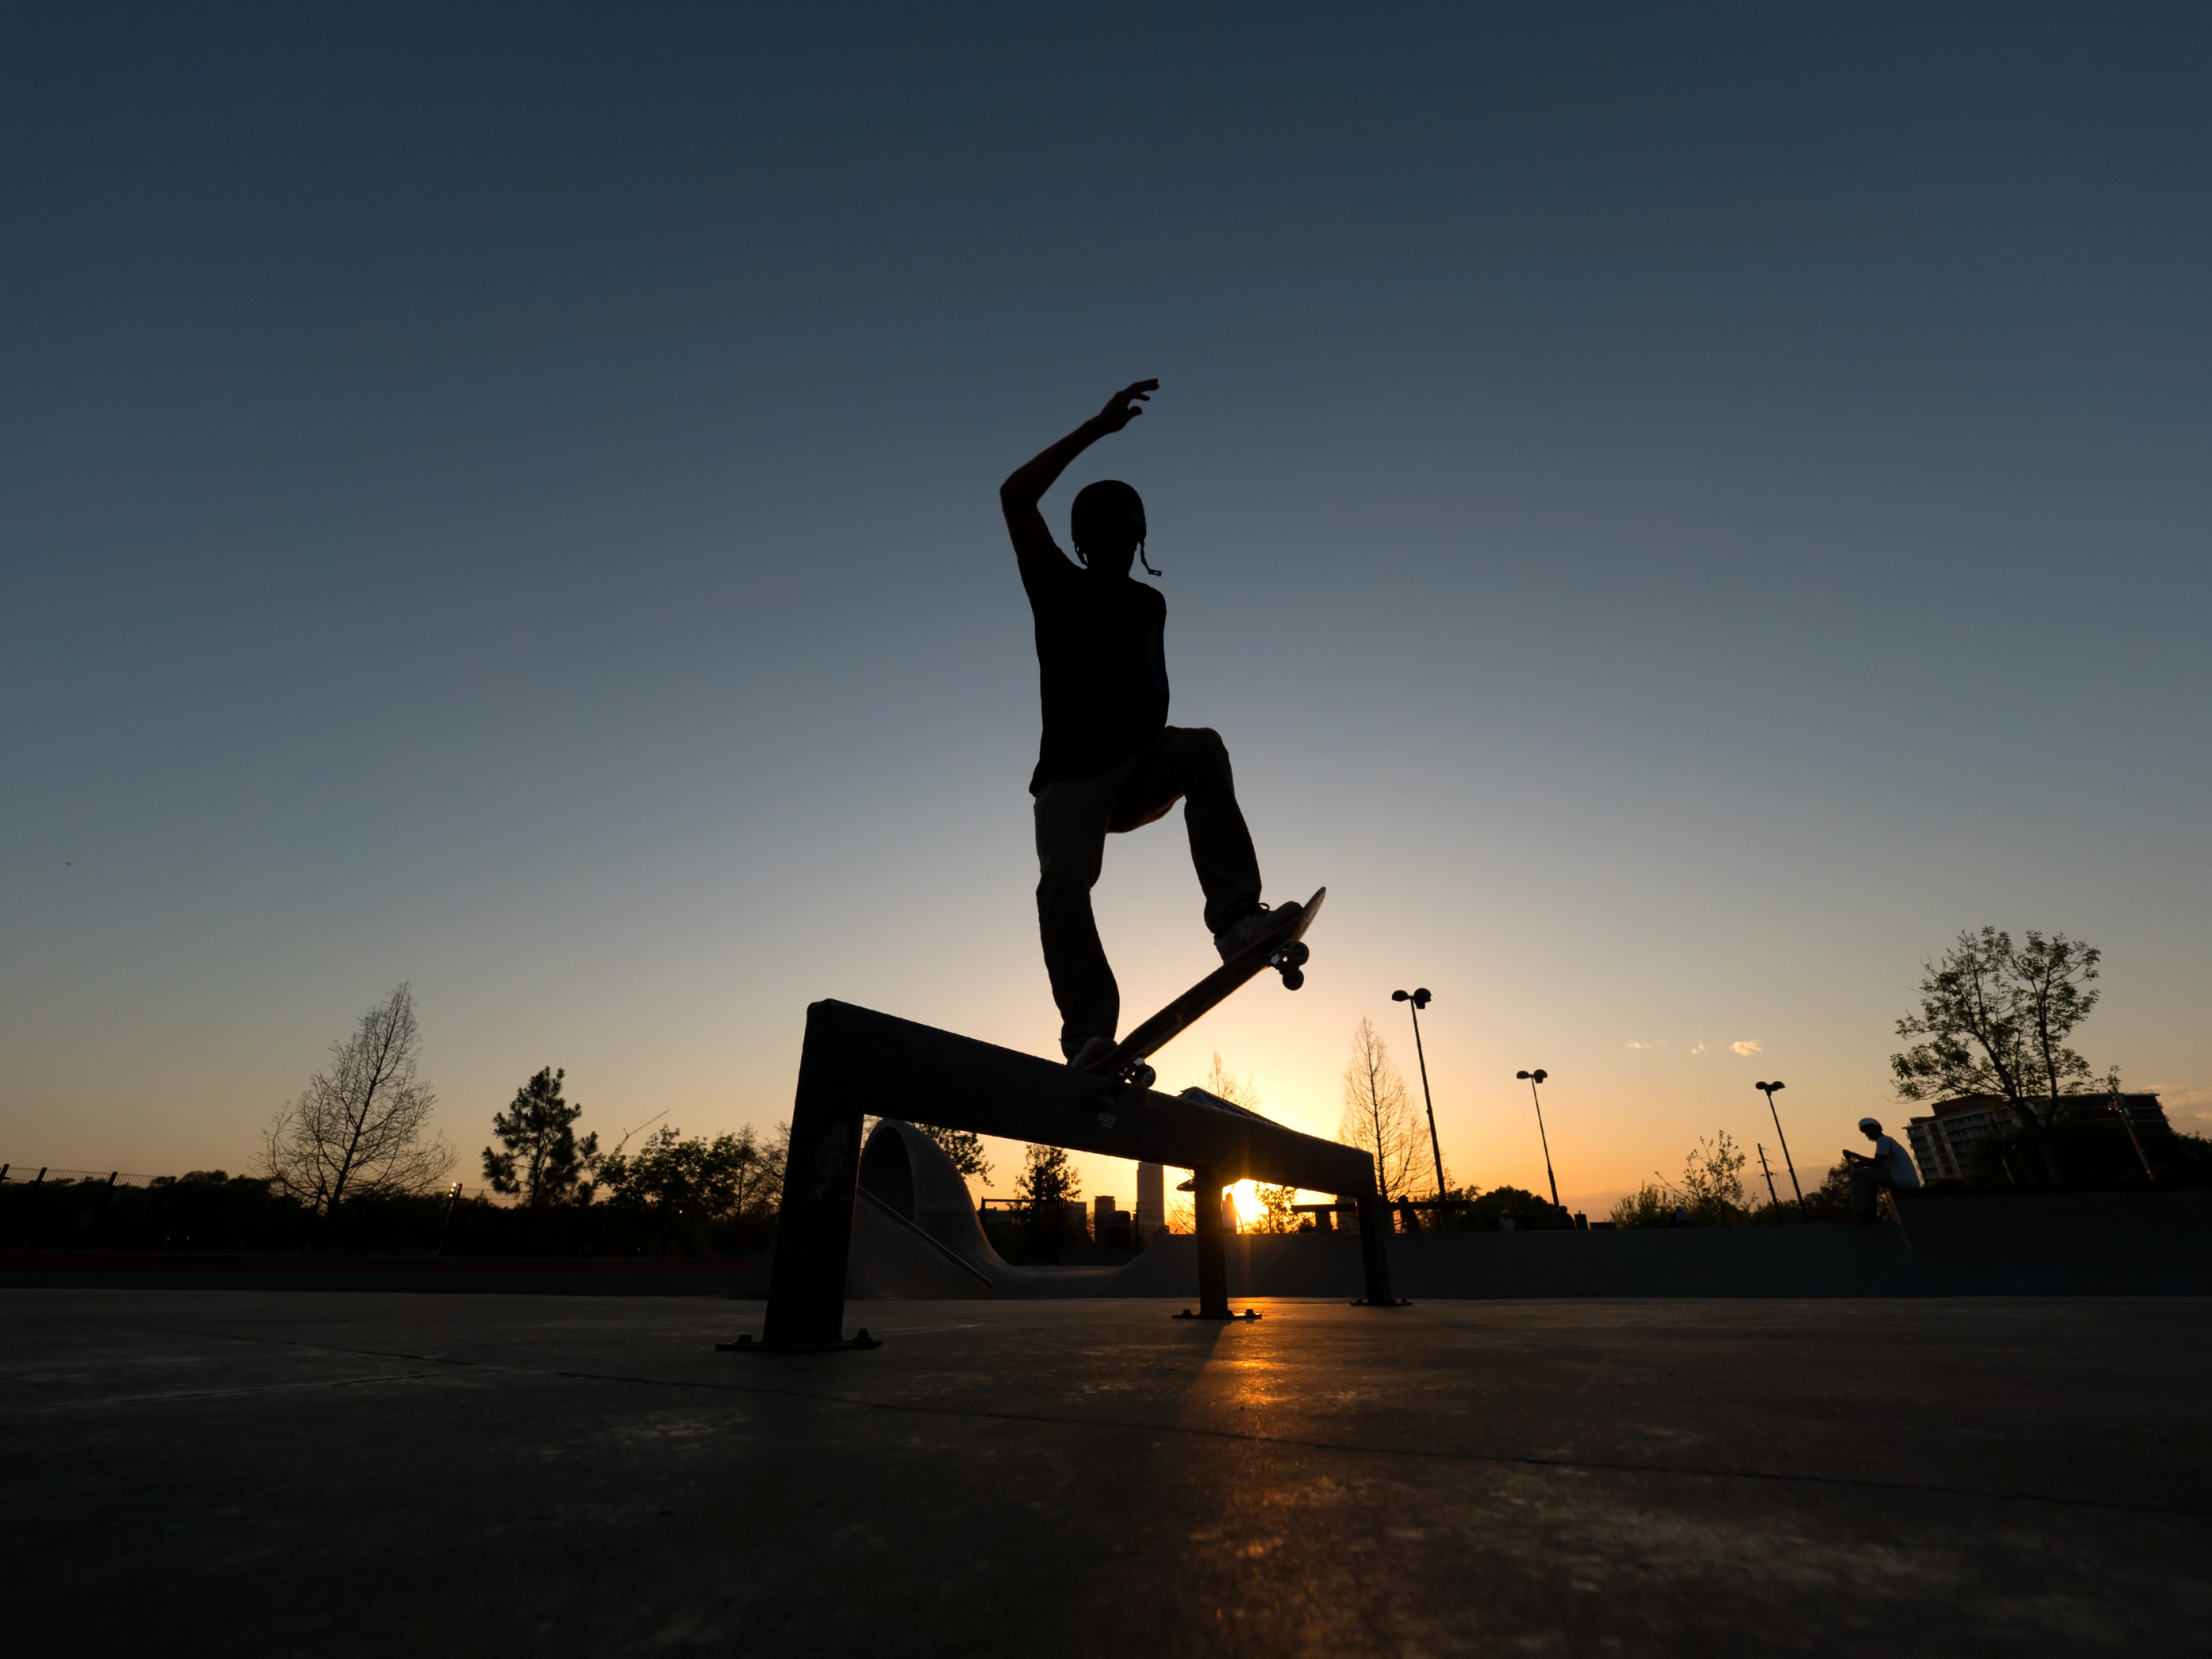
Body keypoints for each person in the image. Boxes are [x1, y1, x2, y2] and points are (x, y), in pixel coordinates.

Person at [1000, 380, 1298, 1066]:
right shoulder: (1054, 584)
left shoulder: (1150, 604)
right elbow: (1015, 496)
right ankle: (1088, 1034)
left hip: (1138, 767)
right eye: (1101, 538)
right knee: (1062, 880)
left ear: (1135, 541)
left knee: (1202, 749)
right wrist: (1096, 428)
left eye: (1121, 537)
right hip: (1070, 782)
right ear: (1084, 543)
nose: (1113, 549)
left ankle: (1236, 922)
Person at [1844, 1116, 1923, 1221]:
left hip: (1902, 1180)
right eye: (1866, 1131)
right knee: (1869, 1178)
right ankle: (1869, 1214)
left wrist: (1853, 1155)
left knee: (1856, 1174)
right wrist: (1862, 1164)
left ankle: (1861, 1214)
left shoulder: (1883, 1140)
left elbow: (1876, 1163)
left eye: (1870, 1129)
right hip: (1905, 1180)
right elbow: (1878, 1165)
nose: (1869, 1133)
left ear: (1878, 1128)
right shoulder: (1886, 1141)